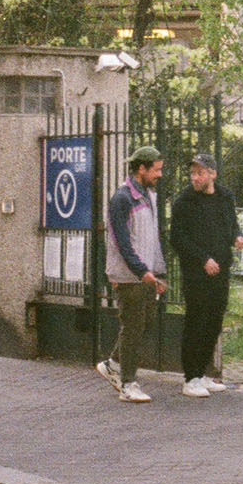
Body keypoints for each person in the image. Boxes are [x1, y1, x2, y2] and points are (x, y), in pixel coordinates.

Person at [169, 152, 243, 398]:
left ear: (213, 174)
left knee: (214, 321)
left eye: (200, 172)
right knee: (196, 322)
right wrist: (203, 259)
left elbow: (231, 224)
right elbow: (177, 238)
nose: (195, 177)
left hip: (221, 269)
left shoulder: (225, 197)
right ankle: (190, 377)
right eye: (193, 173)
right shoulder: (184, 202)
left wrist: (237, 236)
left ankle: (202, 373)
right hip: (196, 273)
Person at [98, 144, 167, 404]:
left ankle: (113, 364)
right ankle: (128, 383)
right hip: (130, 276)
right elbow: (120, 241)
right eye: (156, 170)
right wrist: (141, 271)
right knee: (133, 327)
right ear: (141, 168)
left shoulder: (149, 196)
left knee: (145, 322)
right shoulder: (122, 198)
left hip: (146, 274)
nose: (159, 175)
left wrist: (158, 271)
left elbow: (153, 237)